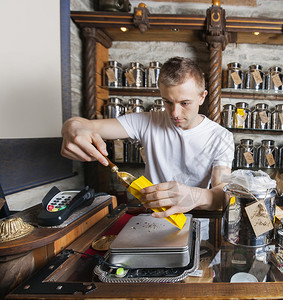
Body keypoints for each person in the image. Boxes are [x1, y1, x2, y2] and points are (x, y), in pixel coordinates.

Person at [61, 57, 234, 218]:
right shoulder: (147, 121)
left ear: (202, 97)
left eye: (184, 103)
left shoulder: (220, 137)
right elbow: (87, 125)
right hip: (152, 218)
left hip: (197, 220)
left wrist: (195, 195)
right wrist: (72, 126)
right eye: (167, 102)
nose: (175, 113)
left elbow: (222, 194)